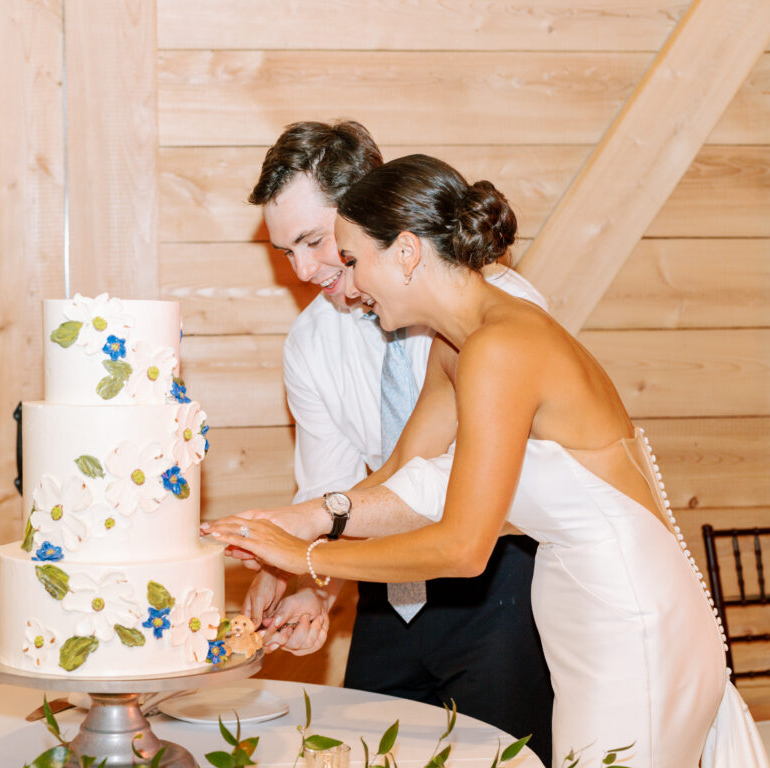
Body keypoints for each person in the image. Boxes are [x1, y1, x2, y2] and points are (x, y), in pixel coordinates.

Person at [208, 154, 770, 766]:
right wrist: (308, 519)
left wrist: (305, 553)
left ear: (404, 252)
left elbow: (463, 546)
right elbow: (407, 477)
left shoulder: (501, 346)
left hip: (626, 615)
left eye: (351, 260)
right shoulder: (456, 347)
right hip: (579, 608)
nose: (348, 286)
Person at [244, 122, 553, 764]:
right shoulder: (309, 344)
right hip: (390, 594)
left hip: (502, 584)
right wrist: (314, 589)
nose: (303, 270)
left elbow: (454, 487)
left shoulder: (487, 309)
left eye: (313, 240)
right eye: (284, 253)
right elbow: (334, 488)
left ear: (365, 208)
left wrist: (309, 548)